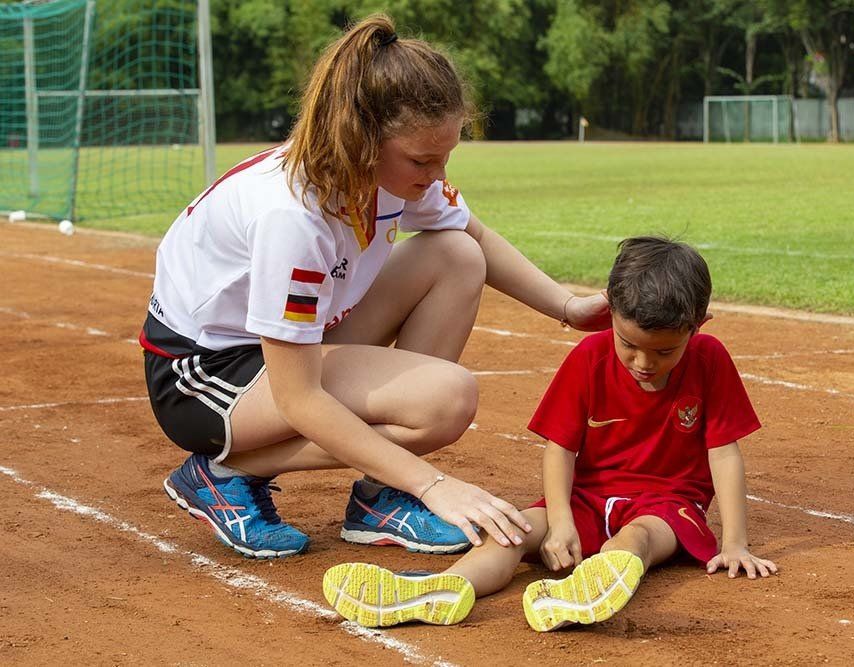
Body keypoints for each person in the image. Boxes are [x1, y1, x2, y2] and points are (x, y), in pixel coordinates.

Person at [140, 14, 609, 559]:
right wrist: (432, 484)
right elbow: (300, 397)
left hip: (293, 342)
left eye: (446, 157)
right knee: (444, 401)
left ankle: (376, 500)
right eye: (422, 159)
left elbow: (472, 233)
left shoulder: (385, 175)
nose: (437, 174)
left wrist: (569, 306)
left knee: (456, 253)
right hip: (206, 374)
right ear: (363, 139)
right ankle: (220, 472)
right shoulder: (293, 217)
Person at [322, 237, 777, 631]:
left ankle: (587, 590)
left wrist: (735, 541)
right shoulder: (588, 358)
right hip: (587, 497)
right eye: (629, 344)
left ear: (699, 326)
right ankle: (445, 587)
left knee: (637, 538)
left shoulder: (710, 359)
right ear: (610, 311)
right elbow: (561, 450)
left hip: (668, 504)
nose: (643, 362)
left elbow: (723, 452)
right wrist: (560, 523)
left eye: (664, 351)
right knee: (514, 531)